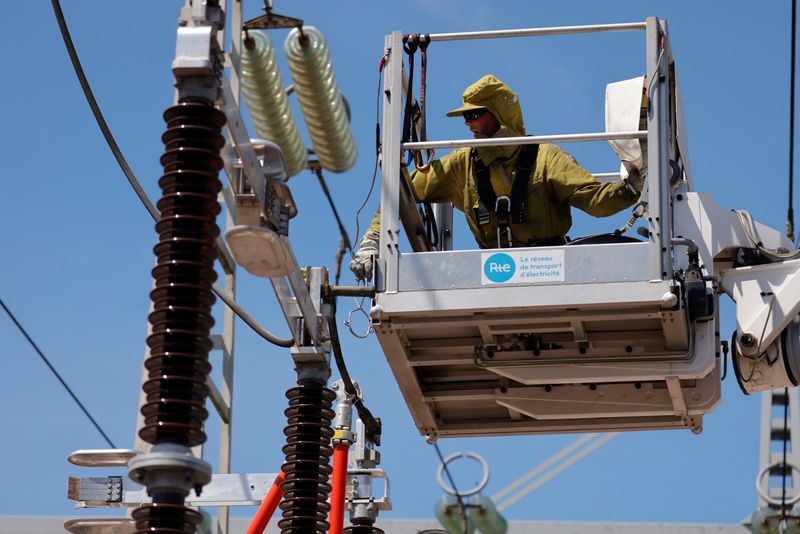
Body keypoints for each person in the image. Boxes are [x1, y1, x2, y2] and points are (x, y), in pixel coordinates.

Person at [350, 74, 642, 281]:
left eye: (475, 115)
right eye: (465, 117)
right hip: (495, 274)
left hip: (550, 272)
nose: (467, 123)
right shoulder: (461, 164)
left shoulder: (546, 158)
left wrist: (633, 187)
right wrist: (373, 240)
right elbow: (403, 193)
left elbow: (596, 202)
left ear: (500, 114)